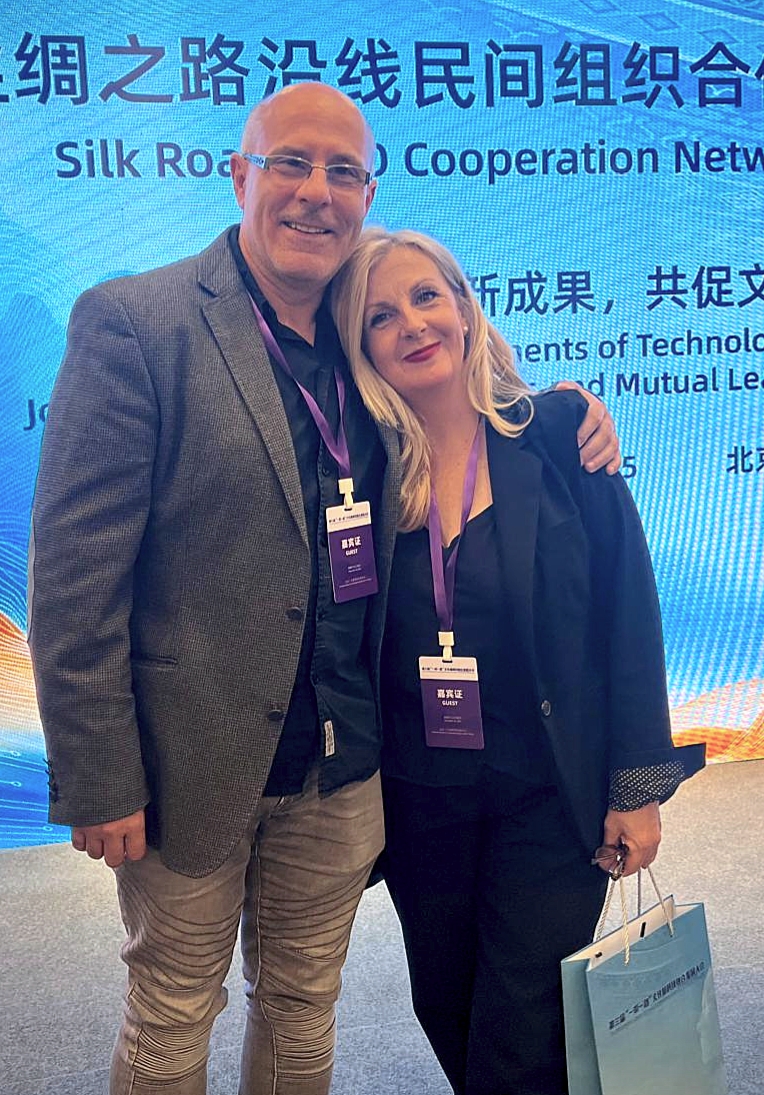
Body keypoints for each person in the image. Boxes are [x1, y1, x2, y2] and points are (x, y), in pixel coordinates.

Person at [27, 84, 620, 1095]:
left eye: (343, 172)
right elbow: (77, 577)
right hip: (189, 765)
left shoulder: (360, 334)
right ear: (240, 175)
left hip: (343, 767)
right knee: (173, 1011)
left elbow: (460, 402)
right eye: (291, 163)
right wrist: (99, 776)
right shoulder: (137, 322)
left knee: (303, 1008)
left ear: (367, 194)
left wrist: (561, 409)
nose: (316, 192)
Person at [331, 227, 705, 1095]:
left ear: (465, 309)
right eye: (380, 316)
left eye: (427, 296)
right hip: (421, 803)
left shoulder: (561, 434)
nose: (412, 324)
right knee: (450, 1009)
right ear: (361, 347)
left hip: (550, 792)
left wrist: (637, 786)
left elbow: (628, 612)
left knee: (519, 1028)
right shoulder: (358, 473)